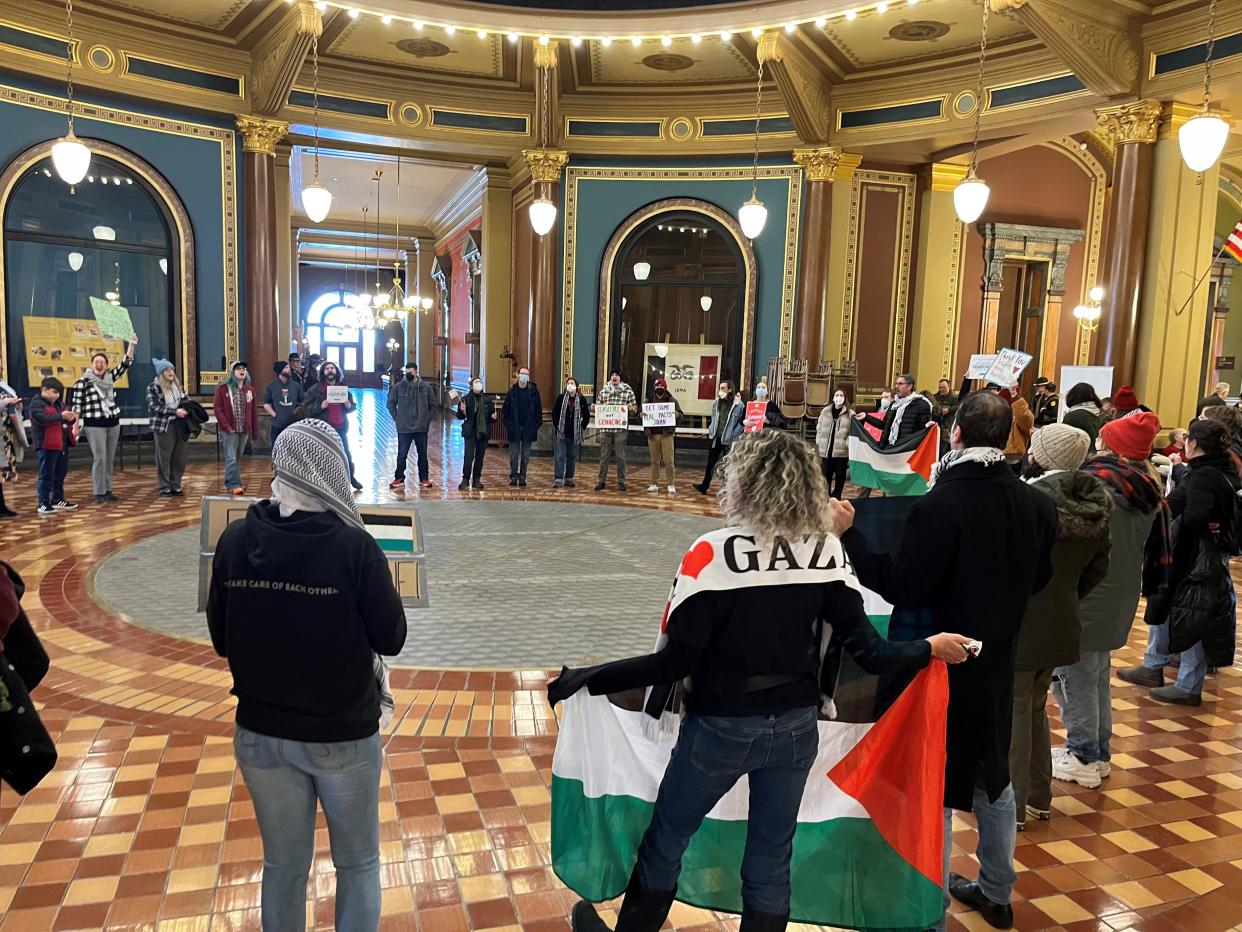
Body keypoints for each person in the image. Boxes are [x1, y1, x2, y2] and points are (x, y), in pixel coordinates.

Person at [549, 428, 974, 932]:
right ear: (809, 487)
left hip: (720, 729)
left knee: (667, 839)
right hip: (796, 729)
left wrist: (592, 677)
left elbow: (674, 664)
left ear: (742, 483)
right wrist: (930, 647)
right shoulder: (828, 555)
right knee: (771, 859)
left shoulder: (711, 554)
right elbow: (873, 654)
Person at [830, 390, 1057, 931]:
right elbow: (1041, 579)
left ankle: (929, 906)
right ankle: (998, 893)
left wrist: (851, 537)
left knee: (934, 781)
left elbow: (904, 586)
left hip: (941, 663)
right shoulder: (1038, 505)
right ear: (1006, 440)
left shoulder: (941, 505)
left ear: (954, 433)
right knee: (993, 778)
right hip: (998, 660)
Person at [207, 418, 406, 932]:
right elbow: (391, 638)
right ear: (333, 471)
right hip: (341, 735)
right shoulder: (355, 548)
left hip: (260, 734)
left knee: (284, 867)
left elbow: (221, 640)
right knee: (357, 864)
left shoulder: (234, 541)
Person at [1051, 412, 1166, 790]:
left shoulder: (1097, 486)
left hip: (1088, 594)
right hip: (1120, 593)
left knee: (1074, 675)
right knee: (1096, 673)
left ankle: (1083, 753)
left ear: (1111, 444)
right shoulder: (1147, 485)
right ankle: (1097, 751)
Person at [1010, 424, 1111, 828]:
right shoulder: (1095, 503)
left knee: (1015, 715)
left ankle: (1012, 810)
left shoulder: (1027, 501)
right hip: (1063, 620)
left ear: (1039, 454)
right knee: (1034, 709)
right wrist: (1065, 596)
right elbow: (1097, 569)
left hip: (1021, 622)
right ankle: (1037, 797)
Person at [1119, 418, 1238, 706]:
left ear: (1194, 443)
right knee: (1174, 605)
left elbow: (1195, 514)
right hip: (1201, 554)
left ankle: (1187, 685)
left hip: (1194, 556)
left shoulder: (1204, 476)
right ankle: (1153, 664)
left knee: (1193, 611)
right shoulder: (1220, 469)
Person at [70, 336, 137, 504]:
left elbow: (126, 363)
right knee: (100, 458)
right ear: (91, 365)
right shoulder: (82, 382)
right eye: (96, 362)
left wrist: (132, 344)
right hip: (94, 424)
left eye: (102, 362)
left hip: (112, 422)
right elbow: (76, 406)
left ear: (106, 366)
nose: (99, 365)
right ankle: (98, 491)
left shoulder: (110, 378)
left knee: (109, 458)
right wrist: (75, 426)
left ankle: (108, 489)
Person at [304, 362, 362, 492]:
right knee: (321, 456)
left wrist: (349, 406)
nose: (330, 371)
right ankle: (320, 483)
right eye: (327, 369)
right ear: (323, 372)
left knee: (346, 455)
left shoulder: (343, 389)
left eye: (332, 368)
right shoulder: (315, 389)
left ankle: (350, 478)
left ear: (336, 371)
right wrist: (320, 406)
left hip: (340, 428)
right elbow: (305, 408)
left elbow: (353, 406)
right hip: (323, 429)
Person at [29, 377, 78, 516]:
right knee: (46, 474)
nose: (57, 395)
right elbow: (41, 418)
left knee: (60, 473)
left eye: (58, 393)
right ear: (44, 390)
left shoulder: (58, 404)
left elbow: (65, 418)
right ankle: (43, 503)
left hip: (61, 443)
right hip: (46, 444)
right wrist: (61, 416)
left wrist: (70, 418)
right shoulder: (37, 403)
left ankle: (57, 499)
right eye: (54, 392)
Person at [386, 361, 436, 490]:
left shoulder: (426, 387)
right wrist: (397, 418)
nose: (408, 375)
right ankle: (399, 477)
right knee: (402, 454)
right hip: (404, 427)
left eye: (411, 372)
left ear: (416, 372)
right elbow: (390, 403)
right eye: (406, 373)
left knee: (422, 454)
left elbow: (433, 405)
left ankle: (424, 477)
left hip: (421, 427)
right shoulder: (398, 387)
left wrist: (427, 419)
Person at [214, 361, 259, 496]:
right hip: (229, 430)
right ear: (232, 372)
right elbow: (218, 409)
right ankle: (233, 484)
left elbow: (253, 411)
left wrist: (254, 430)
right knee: (231, 458)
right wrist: (227, 426)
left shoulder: (250, 390)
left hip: (243, 430)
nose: (242, 370)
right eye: (238, 368)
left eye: (244, 368)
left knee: (237, 457)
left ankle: (234, 482)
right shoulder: (223, 389)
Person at [147, 358, 189, 497]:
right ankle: (164, 487)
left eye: (171, 369)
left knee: (179, 457)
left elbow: (185, 400)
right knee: (164, 457)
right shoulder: (154, 387)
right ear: (161, 373)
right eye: (167, 370)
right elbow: (155, 406)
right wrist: (174, 412)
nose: (170, 372)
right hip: (164, 427)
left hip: (179, 426)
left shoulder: (178, 387)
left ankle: (175, 485)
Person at [694, 380, 744, 496]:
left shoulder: (739, 405)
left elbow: (741, 423)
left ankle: (727, 490)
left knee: (728, 465)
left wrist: (734, 435)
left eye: (723, 388)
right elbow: (713, 417)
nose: (720, 391)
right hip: (716, 437)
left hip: (729, 439)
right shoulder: (717, 403)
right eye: (720, 388)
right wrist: (711, 429)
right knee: (710, 463)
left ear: (730, 389)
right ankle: (704, 486)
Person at [859, 373, 932, 447]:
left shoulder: (921, 404)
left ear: (910, 386)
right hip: (889, 447)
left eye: (900, 384)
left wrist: (929, 426)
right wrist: (866, 416)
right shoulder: (894, 404)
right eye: (896, 384)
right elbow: (884, 425)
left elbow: (924, 431)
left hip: (907, 449)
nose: (896, 387)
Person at [594, 370, 637, 492]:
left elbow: (634, 407)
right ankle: (601, 481)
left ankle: (621, 482)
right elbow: (598, 406)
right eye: (612, 375)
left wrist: (632, 408)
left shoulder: (627, 390)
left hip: (620, 429)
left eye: (616, 375)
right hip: (606, 429)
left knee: (620, 456)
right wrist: (594, 408)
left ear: (620, 378)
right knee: (604, 456)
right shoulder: (604, 391)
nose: (614, 377)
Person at [503, 366, 543, 487]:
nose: (524, 376)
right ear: (518, 375)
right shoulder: (512, 392)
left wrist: (535, 425)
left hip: (528, 428)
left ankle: (523, 476)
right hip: (514, 427)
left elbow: (538, 411)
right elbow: (506, 410)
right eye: (522, 374)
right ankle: (513, 475)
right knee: (514, 455)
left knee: (525, 455)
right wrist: (509, 424)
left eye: (526, 374)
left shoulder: (534, 393)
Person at [456, 377, 495, 491]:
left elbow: (491, 416)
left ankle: (477, 479)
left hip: (483, 432)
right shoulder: (465, 399)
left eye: (480, 382)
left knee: (480, 457)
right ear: (472, 386)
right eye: (476, 382)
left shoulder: (487, 400)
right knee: (468, 456)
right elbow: (460, 417)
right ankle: (465, 479)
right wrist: (461, 410)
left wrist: (493, 418)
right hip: (470, 432)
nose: (478, 384)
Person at [645, 377, 683, 494]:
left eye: (661, 386)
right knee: (654, 461)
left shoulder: (672, 400)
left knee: (669, 461)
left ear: (665, 387)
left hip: (666, 435)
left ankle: (670, 484)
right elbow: (641, 416)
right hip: (652, 435)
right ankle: (654, 483)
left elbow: (681, 416)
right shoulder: (649, 400)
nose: (659, 388)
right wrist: (641, 415)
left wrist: (677, 415)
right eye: (657, 386)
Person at [552, 377, 590, 488]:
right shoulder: (560, 398)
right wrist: (557, 426)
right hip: (561, 432)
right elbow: (555, 413)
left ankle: (569, 478)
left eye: (572, 383)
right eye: (568, 383)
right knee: (560, 456)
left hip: (575, 433)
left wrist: (581, 427)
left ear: (576, 386)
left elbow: (586, 416)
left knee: (572, 456)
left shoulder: (581, 399)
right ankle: (558, 479)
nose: (570, 385)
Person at [815, 387, 852, 499]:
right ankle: (826, 498)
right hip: (826, 450)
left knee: (840, 477)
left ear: (845, 398)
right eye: (837, 395)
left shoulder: (850, 414)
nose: (839, 398)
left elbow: (852, 432)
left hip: (841, 452)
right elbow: (819, 427)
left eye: (841, 395)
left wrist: (846, 443)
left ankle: (836, 497)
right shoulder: (825, 411)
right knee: (825, 477)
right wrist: (819, 440)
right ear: (833, 397)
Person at [0, 358, 23, 518]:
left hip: (5, 432)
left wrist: (15, 403)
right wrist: (3, 403)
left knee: (1, 472)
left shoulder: (2, 384)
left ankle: (1, 506)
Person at [264, 360, 304, 450]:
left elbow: (303, 401)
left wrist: (298, 412)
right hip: (277, 425)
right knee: (277, 451)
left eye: (289, 367)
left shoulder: (296, 386)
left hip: (293, 425)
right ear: (280, 370)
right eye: (286, 367)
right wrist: (275, 415)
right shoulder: (272, 386)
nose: (289, 369)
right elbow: (266, 404)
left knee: (293, 451)